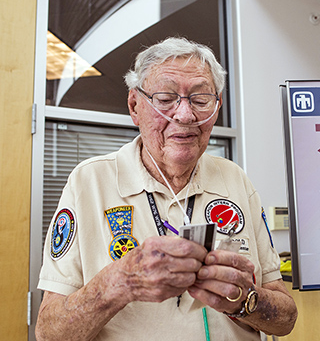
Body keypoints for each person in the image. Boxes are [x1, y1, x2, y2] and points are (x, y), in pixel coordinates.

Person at [35, 37, 297, 341]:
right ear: (135, 106)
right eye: (165, 98)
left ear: (216, 107)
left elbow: (286, 320)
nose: (185, 116)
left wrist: (245, 300)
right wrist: (121, 282)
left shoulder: (235, 179)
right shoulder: (88, 182)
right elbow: (49, 333)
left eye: (200, 100)